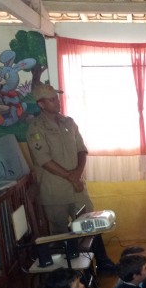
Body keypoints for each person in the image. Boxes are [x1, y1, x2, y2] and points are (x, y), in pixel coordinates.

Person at [26, 84, 115, 274]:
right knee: (60, 234)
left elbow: (82, 149)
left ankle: (103, 264)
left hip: (77, 187)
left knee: (91, 224)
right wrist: (70, 176)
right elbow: (44, 160)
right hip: (55, 191)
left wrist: (77, 174)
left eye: (56, 97)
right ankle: (68, 275)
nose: (56, 101)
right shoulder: (35, 128)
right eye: (51, 99)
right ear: (41, 104)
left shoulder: (69, 122)